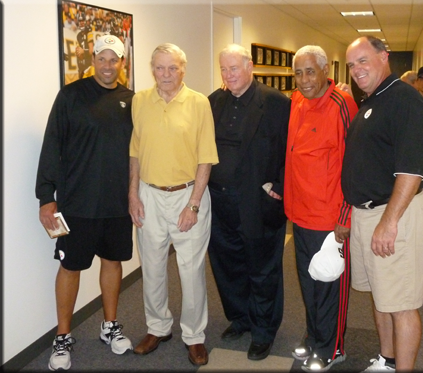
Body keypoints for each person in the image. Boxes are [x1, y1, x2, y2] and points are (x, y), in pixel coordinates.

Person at [36, 35, 134, 371]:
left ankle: (109, 326)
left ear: (123, 63)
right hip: (77, 203)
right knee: (70, 267)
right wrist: (46, 197)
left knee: (112, 261)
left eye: (114, 59)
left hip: (117, 204)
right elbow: (52, 146)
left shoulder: (132, 100)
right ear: (93, 59)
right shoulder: (70, 96)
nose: (108, 66)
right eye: (102, 59)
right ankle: (62, 336)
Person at [340, 36, 423, 371]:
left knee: (402, 303)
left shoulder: (405, 100)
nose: (356, 69)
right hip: (367, 214)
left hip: (395, 215)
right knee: (382, 295)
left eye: (363, 60)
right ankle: (387, 361)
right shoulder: (373, 99)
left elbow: (410, 171)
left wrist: (389, 222)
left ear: (384, 57)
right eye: (351, 64)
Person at [129, 43, 218, 366]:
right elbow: (135, 151)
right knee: (151, 267)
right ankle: (157, 327)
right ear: (152, 69)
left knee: (190, 270)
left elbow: (206, 157)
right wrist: (133, 194)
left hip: (188, 194)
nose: (165, 75)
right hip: (148, 194)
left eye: (172, 68)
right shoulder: (140, 101)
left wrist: (193, 204)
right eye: (159, 68)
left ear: (183, 69)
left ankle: (194, 336)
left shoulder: (198, 103)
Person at [207, 44, 290, 361]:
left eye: (235, 68)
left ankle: (264, 331)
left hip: (257, 202)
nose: (229, 75)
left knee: (262, 269)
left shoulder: (276, 103)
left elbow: (289, 150)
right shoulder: (214, 101)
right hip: (220, 202)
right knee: (228, 266)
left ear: (250, 66)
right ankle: (240, 319)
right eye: (224, 69)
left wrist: (280, 188)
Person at [284, 45, 358, 372]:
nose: (304, 80)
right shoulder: (296, 101)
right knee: (309, 282)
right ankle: (315, 336)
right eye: (298, 73)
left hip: (331, 219)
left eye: (310, 71)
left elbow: (355, 165)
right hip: (299, 216)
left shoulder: (343, 104)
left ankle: (333, 347)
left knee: (330, 286)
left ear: (325, 70)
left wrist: (345, 216)